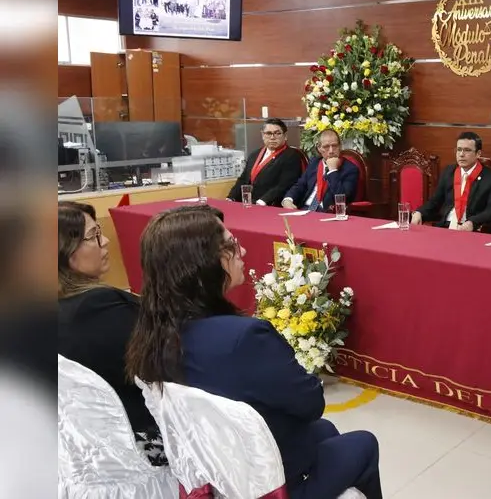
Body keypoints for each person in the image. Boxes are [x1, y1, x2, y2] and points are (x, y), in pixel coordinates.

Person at [125, 206, 381, 499]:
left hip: (214, 470)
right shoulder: (245, 338)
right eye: (231, 245)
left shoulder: (152, 334)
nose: (242, 251)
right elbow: (310, 403)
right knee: (363, 443)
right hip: (268, 483)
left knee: (324, 431)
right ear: (202, 264)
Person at [57, 201, 165, 465]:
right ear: (64, 250)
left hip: (78, 443)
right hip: (134, 442)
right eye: (93, 236)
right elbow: (162, 367)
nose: (105, 241)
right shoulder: (100, 307)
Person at [412, 131, 491, 231]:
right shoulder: (449, 171)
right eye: (459, 150)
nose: (461, 154)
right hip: (445, 226)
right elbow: (435, 201)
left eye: (467, 150)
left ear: (478, 154)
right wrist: (419, 212)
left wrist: (473, 222)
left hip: (471, 229)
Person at [227, 118, 306, 206]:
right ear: (262, 135)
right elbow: (243, 179)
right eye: (268, 133)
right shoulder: (254, 154)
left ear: (285, 136)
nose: (272, 137)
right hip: (250, 203)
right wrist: (230, 198)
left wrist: (262, 201)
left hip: (271, 204)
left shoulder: (292, 155)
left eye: (277, 133)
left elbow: (284, 185)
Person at [281, 129, 358, 211]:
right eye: (326, 147)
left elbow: (342, 198)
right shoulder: (315, 162)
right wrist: (288, 199)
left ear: (340, 146)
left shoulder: (350, 169)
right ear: (319, 148)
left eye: (334, 146)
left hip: (327, 212)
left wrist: (332, 171)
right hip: (304, 209)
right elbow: (301, 185)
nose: (331, 151)